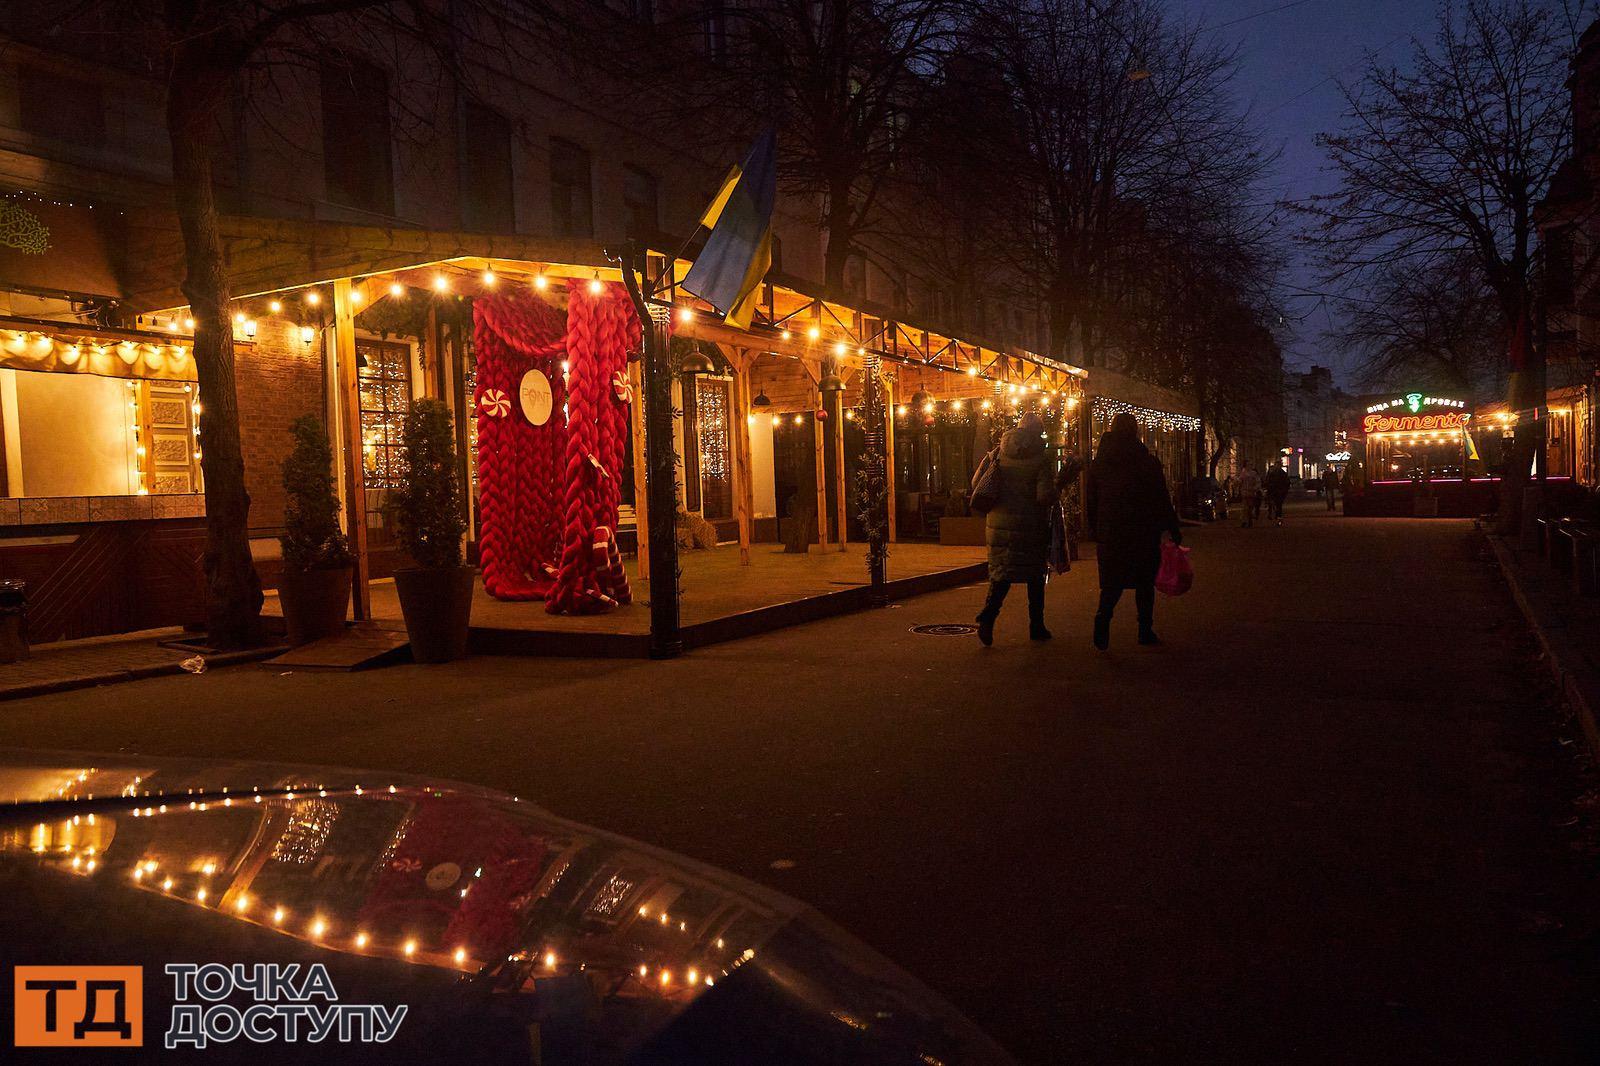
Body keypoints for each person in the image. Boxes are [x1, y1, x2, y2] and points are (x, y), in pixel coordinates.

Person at [1086, 412, 1181, 649]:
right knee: (1144, 584)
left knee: (1111, 584)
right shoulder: (1147, 462)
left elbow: (1091, 501)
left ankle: (1102, 620)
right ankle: (1144, 630)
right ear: (1136, 432)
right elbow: (1161, 498)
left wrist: (1096, 530)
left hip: (1111, 533)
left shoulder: (1099, 465)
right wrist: (1172, 528)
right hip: (1142, 532)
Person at [975, 412, 1060, 646]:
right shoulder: (1040, 459)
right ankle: (1037, 626)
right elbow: (1044, 496)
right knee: (1034, 577)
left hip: (999, 526)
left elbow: (977, 485)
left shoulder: (997, 454)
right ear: (1037, 432)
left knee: (1002, 575)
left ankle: (988, 620)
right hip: (1030, 526)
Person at [1237, 462, 1261, 528]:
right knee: (1245, 508)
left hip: (1251, 493)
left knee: (1250, 508)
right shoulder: (1243, 473)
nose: (1249, 466)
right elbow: (1239, 481)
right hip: (1245, 493)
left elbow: (1258, 482)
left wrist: (1255, 488)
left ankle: (1249, 520)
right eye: (1248, 465)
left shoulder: (1253, 474)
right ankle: (1245, 521)